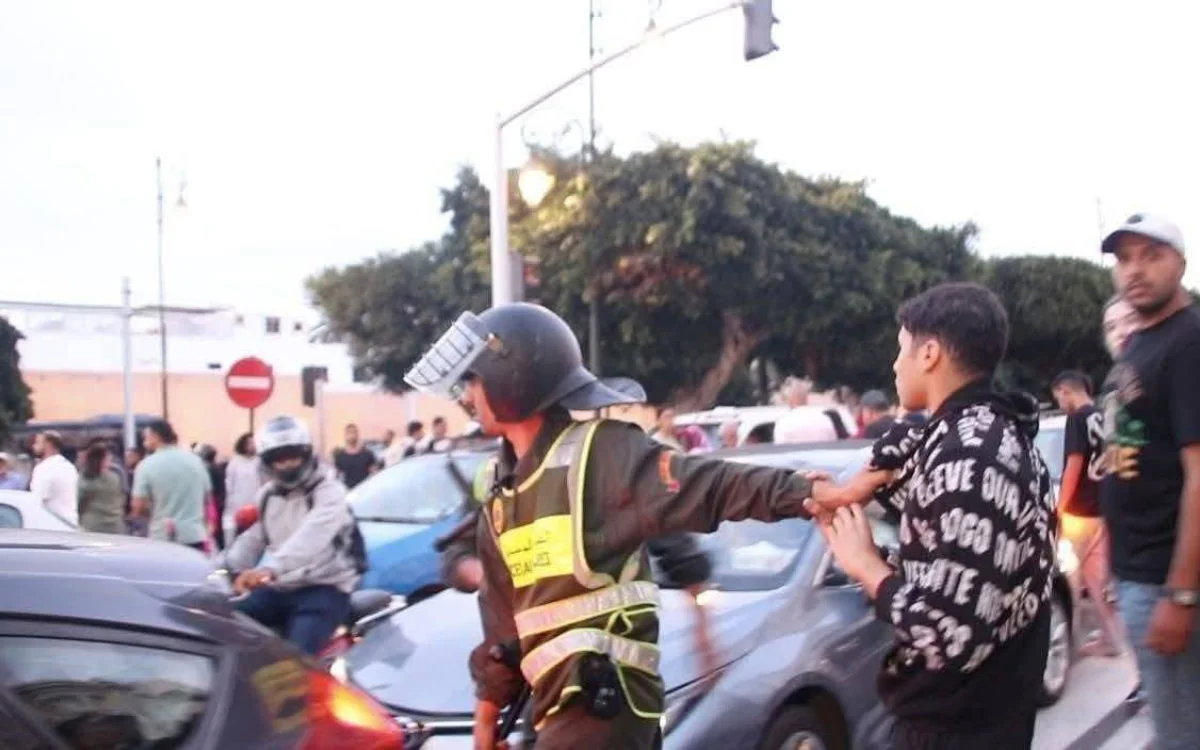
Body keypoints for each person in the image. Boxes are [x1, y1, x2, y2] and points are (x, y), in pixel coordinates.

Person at [404, 303, 817, 750]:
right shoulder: (501, 487)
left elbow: (708, 484)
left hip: (603, 702)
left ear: (514, 379)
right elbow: (504, 618)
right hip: (554, 703)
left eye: (474, 379)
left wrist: (805, 492)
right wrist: (487, 714)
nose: (466, 395)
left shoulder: (601, 455)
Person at [808, 282, 1057, 749]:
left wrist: (867, 567)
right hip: (979, 715)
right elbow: (962, 570)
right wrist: (865, 513)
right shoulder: (984, 434)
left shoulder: (971, 455)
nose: (894, 364)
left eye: (900, 348)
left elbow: (949, 633)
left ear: (929, 353)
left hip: (961, 725)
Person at [1098, 213, 1200, 749]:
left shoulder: (1188, 344)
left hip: (1166, 579)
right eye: (1124, 259)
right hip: (1137, 573)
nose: (1134, 270)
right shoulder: (1142, 342)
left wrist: (1181, 595)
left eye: (1151, 255)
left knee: (1181, 732)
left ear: (1180, 264)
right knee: (1170, 722)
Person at [220, 415, 364, 656]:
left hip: (325, 588)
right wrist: (225, 567)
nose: (287, 464)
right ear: (267, 461)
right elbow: (254, 537)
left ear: (306, 454)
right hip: (281, 586)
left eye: (293, 456)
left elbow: (312, 537)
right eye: (279, 459)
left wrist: (269, 569)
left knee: (293, 660)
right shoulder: (267, 495)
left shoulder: (330, 492)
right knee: (224, 626)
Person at [1052, 370, 1125, 658]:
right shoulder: (1101, 416)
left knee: (1070, 576)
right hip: (1102, 507)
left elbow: (1073, 464)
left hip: (1078, 512)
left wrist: (1059, 508)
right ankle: (1110, 639)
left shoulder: (1077, 419)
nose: (1060, 404)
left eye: (1059, 398)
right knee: (1096, 579)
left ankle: (1070, 640)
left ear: (1065, 391)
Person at [131, 420, 210, 550]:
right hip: (194, 535)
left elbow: (138, 506)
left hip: (162, 536)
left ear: (155, 436)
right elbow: (206, 498)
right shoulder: (196, 461)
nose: (144, 441)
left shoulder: (146, 465)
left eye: (146, 437)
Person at [29, 431, 79, 525]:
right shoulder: (69, 467)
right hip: (70, 523)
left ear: (48, 444)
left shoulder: (44, 468)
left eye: (37, 443)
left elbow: (37, 500)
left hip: (50, 523)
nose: (34, 446)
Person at [77, 441, 126, 534]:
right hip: (115, 526)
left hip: (92, 526)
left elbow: (79, 503)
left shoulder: (85, 479)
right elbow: (122, 497)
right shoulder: (115, 476)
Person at [224, 432, 264, 543]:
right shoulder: (235, 462)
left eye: (254, 443)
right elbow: (229, 485)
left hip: (256, 504)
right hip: (238, 505)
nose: (252, 446)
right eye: (249, 443)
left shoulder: (260, 462)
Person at [333, 423, 375, 489]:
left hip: (365, 490)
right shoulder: (340, 456)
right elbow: (335, 478)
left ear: (357, 435)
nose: (352, 435)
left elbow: (374, 475)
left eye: (354, 432)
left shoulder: (367, 454)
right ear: (345, 435)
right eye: (349, 433)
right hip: (348, 491)